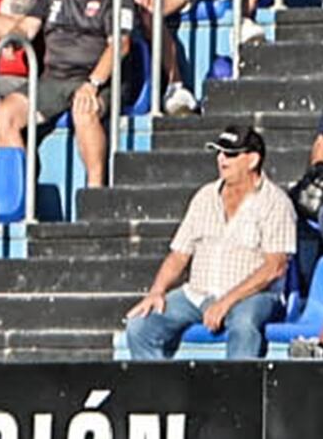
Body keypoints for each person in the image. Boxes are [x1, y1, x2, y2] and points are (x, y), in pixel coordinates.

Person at [121, 127, 298, 359]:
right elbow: (179, 254)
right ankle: (157, 393)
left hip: (252, 295)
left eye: (230, 154)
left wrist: (227, 301)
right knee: (139, 326)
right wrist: (157, 291)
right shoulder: (204, 196)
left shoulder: (275, 202)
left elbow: (275, 267)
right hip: (198, 294)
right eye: (219, 153)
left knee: (244, 325)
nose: (221, 159)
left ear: (253, 159)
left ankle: (237, 393)